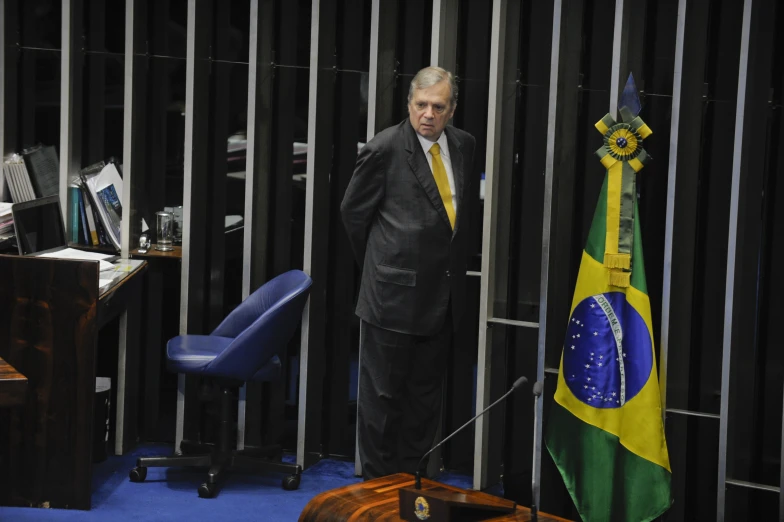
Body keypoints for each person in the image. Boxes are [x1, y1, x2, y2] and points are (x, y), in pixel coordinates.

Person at [341, 66, 476, 480]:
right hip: (390, 300)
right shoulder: (384, 148)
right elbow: (353, 215)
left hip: (443, 297)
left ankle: (411, 488)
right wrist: (382, 270)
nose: (428, 114)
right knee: (381, 405)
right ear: (409, 105)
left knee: (423, 404)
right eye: (421, 105)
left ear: (452, 110)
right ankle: (377, 492)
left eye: (438, 106)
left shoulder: (465, 145)